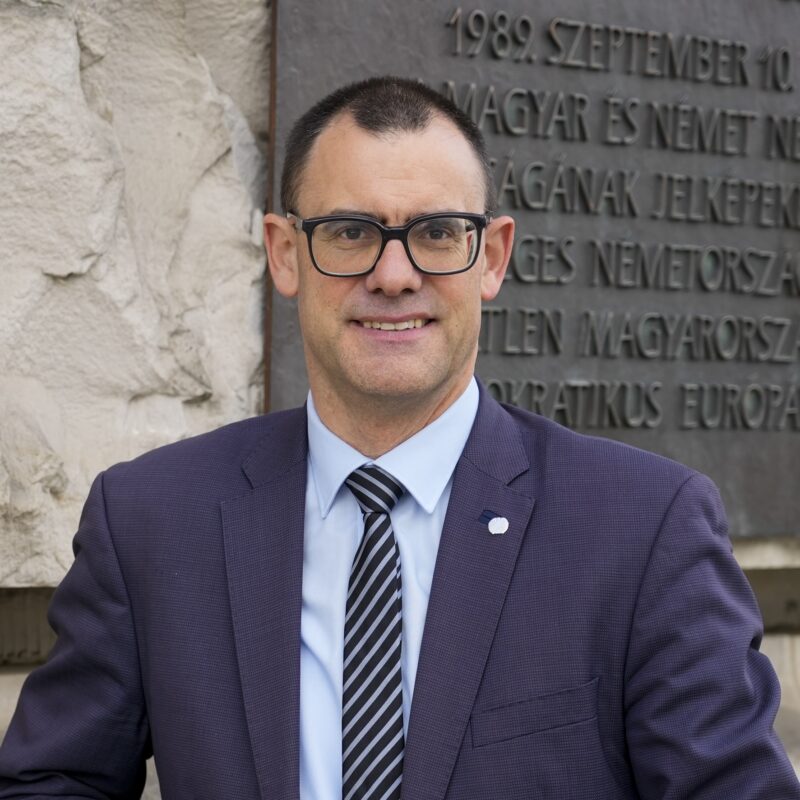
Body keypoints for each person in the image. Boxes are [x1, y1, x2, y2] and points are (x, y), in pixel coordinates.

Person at [0, 76, 798, 800]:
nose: (393, 275)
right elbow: (49, 782)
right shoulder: (149, 521)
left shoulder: (645, 529)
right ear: (285, 254)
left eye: (438, 232)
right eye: (350, 232)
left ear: (491, 257)